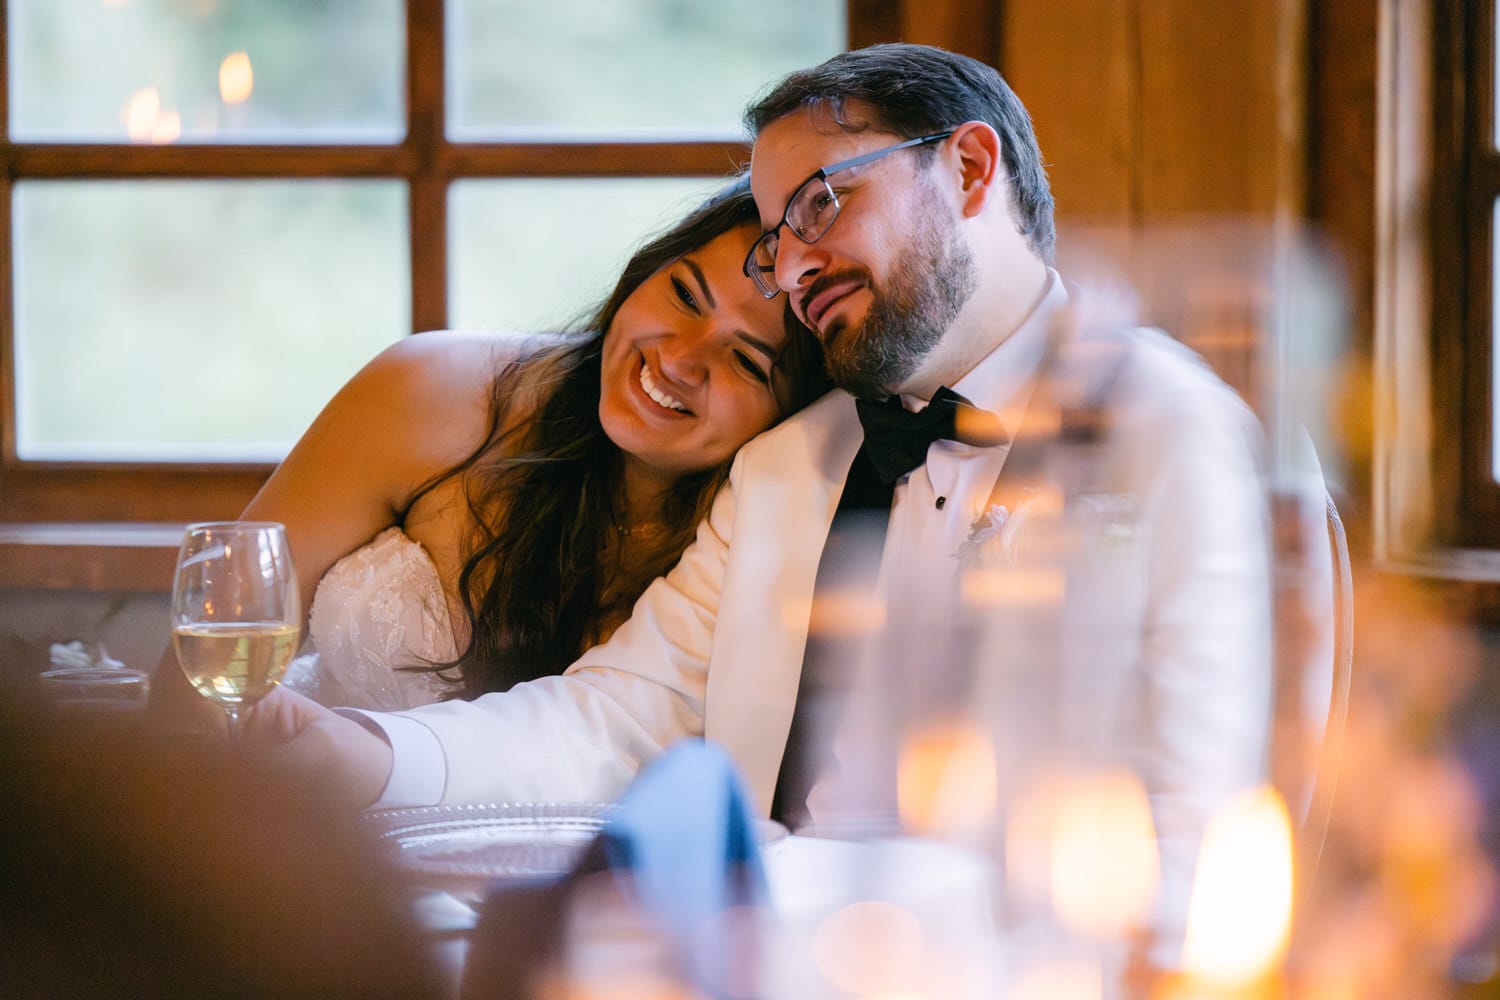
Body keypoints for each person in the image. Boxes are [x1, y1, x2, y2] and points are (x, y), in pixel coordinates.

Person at [241, 43, 1273, 965]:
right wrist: (364, 756)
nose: (794, 263)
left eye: (820, 203)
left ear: (966, 169)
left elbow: (1196, 837)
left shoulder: (1162, 425)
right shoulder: (794, 462)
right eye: (779, 235)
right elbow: (612, 718)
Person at [151, 175, 830, 720]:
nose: (681, 360)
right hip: (321, 848)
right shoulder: (434, 392)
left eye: (747, 363)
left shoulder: (772, 528)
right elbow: (197, 682)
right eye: (684, 294)